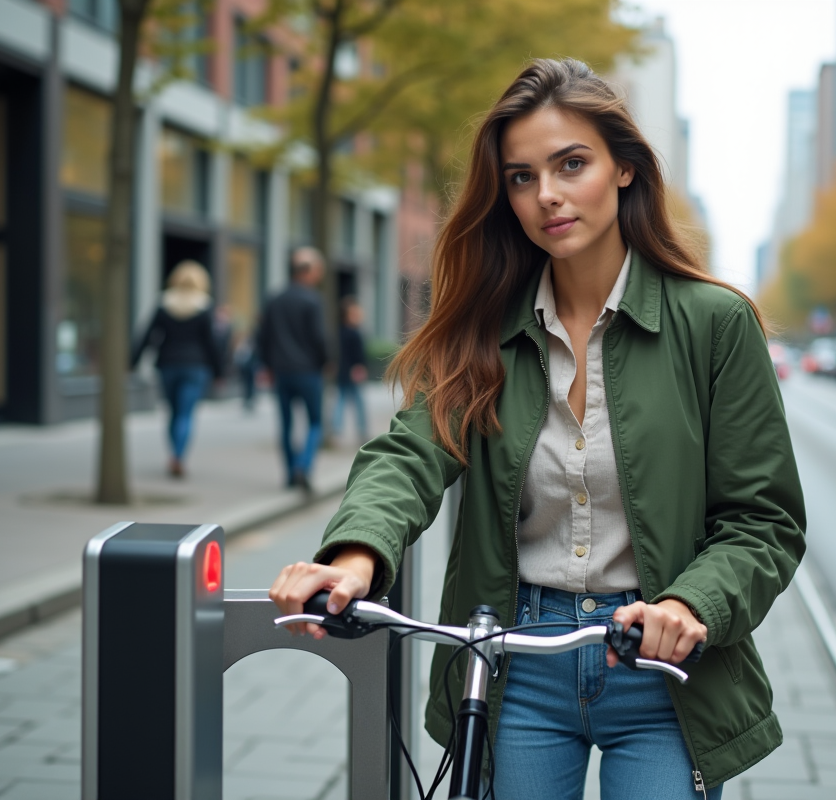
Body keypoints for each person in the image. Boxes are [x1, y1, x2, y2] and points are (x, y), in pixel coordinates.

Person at [269, 59, 805, 799]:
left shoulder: (714, 324)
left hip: (658, 667)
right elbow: (410, 453)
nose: (546, 194)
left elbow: (762, 521)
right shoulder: (486, 327)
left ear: (623, 168)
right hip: (517, 659)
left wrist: (691, 605)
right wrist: (356, 556)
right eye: (521, 177)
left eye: (571, 164)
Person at [131, 261, 223, 478]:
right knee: (186, 413)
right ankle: (178, 456)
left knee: (173, 412)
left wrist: (133, 361)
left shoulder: (164, 303)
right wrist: (220, 372)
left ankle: (174, 453)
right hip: (196, 367)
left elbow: (147, 335)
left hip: (168, 365)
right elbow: (212, 343)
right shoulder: (205, 306)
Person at [258, 247, 329, 490]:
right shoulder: (313, 300)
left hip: (281, 371)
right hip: (308, 371)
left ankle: (289, 474)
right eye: (318, 271)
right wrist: (325, 362)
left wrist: (267, 365)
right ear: (307, 272)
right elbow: (319, 338)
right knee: (315, 422)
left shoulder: (275, 299)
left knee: (286, 425)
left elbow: (263, 336)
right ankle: (303, 465)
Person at [333, 297, 368, 442]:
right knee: (358, 402)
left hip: (341, 372)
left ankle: (337, 431)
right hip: (353, 372)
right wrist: (359, 368)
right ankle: (361, 431)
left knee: (340, 400)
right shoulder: (353, 333)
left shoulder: (338, 332)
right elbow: (358, 355)